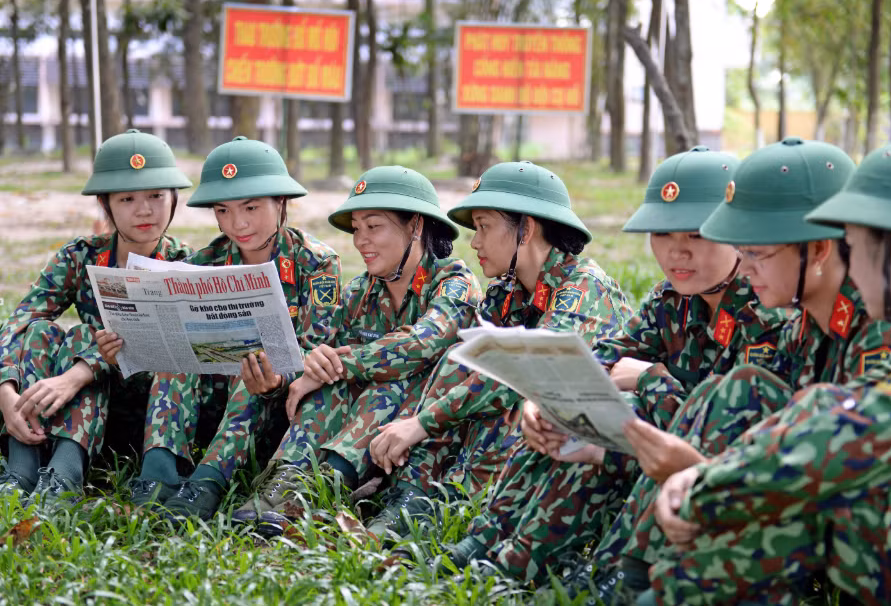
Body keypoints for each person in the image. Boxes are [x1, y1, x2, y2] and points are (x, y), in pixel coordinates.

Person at [558, 138, 891, 604]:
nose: (746, 265)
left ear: (820, 249)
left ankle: (641, 577)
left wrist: (704, 478)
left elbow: (836, 468)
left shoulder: (881, 333)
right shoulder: (803, 325)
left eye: (757, 252)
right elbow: (754, 434)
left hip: (871, 541)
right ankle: (630, 572)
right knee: (728, 391)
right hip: (805, 506)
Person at [440, 146, 790, 583]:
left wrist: (650, 379)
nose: (677, 253)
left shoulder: (767, 314)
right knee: (567, 419)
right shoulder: (671, 302)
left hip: (716, 477)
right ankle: (493, 540)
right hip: (652, 455)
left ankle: (591, 571)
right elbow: (604, 355)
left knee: (627, 417)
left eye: (696, 235)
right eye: (662, 236)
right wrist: (546, 399)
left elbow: (721, 426)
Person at [362, 161, 632, 542]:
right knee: (457, 363)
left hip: (592, 443)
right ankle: (413, 496)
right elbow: (466, 367)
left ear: (527, 229)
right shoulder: (509, 293)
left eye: (484, 226)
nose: (474, 242)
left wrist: (421, 423)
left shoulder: (583, 288)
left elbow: (528, 376)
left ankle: (457, 505)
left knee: (514, 401)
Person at [96, 136, 341, 521]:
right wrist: (125, 348)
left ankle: (208, 481)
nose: (237, 223)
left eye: (251, 207)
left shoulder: (318, 264)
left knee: (254, 362)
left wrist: (277, 379)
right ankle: (157, 472)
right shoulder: (204, 261)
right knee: (174, 355)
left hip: (278, 411)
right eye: (223, 210)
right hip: (211, 409)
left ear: (281, 202)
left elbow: (317, 350)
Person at [231, 165, 482, 536]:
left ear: (415, 226)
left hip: (426, 434)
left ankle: (325, 484)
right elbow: (323, 349)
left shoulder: (454, 283)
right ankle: (287, 480)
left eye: (374, 226)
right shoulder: (362, 290)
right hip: (369, 435)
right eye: (357, 229)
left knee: (387, 375)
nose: (361, 240)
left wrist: (339, 362)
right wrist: (314, 365)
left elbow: (421, 343)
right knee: (329, 376)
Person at [0, 129, 193, 505]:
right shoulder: (81, 257)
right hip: (85, 412)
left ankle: (65, 476)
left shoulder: (187, 266)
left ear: (174, 200)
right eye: (127, 198)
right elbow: (19, 323)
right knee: (41, 331)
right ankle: (22, 466)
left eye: (156, 195)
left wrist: (79, 372)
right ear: (106, 204)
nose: (144, 210)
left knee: (87, 336)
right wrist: (5, 390)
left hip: (151, 420)